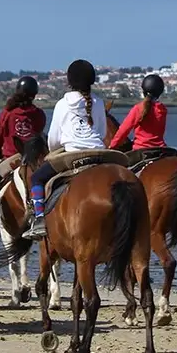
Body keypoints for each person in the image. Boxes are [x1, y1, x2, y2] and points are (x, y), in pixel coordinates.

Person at [22, 60, 108, 240]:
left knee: (36, 178)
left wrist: (54, 150)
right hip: (99, 153)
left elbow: (54, 137)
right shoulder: (98, 102)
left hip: (71, 154)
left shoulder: (62, 104)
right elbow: (102, 132)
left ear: (70, 81)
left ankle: (39, 219)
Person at [0, 75, 47, 237]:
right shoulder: (38, 113)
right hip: (34, 159)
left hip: (12, 158)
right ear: (34, 94)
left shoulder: (7, 112)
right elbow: (39, 135)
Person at [109, 74, 168, 152]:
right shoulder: (163, 109)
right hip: (161, 148)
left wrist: (112, 145)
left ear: (144, 91)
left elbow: (123, 130)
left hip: (141, 149)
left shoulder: (138, 108)